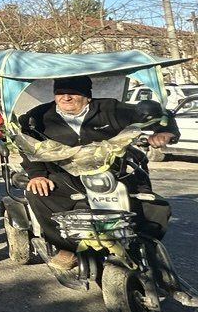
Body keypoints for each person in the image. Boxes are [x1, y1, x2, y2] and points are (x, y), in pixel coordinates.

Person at [19, 76, 178, 270]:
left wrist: (165, 131)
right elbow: (27, 147)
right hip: (65, 176)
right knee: (38, 192)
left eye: (74, 92)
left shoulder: (111, 109)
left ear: (88, 95)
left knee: (153, 204)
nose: (66, 97)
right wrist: (37, 174)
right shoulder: (39, 116)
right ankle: (66, 247)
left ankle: (144, 245)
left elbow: (159, 117)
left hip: (113, 172)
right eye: (60, 92)